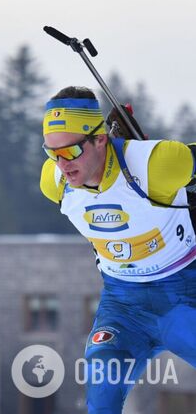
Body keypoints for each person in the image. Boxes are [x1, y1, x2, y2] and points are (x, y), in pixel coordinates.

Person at [39, 86, 196, 413]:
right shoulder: (53, 182)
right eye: (52, 153)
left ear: (100, 139)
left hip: (183, 296)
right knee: (101, 388)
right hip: (123, 307)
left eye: (69, 152)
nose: (62, 165)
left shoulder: (157, 165)